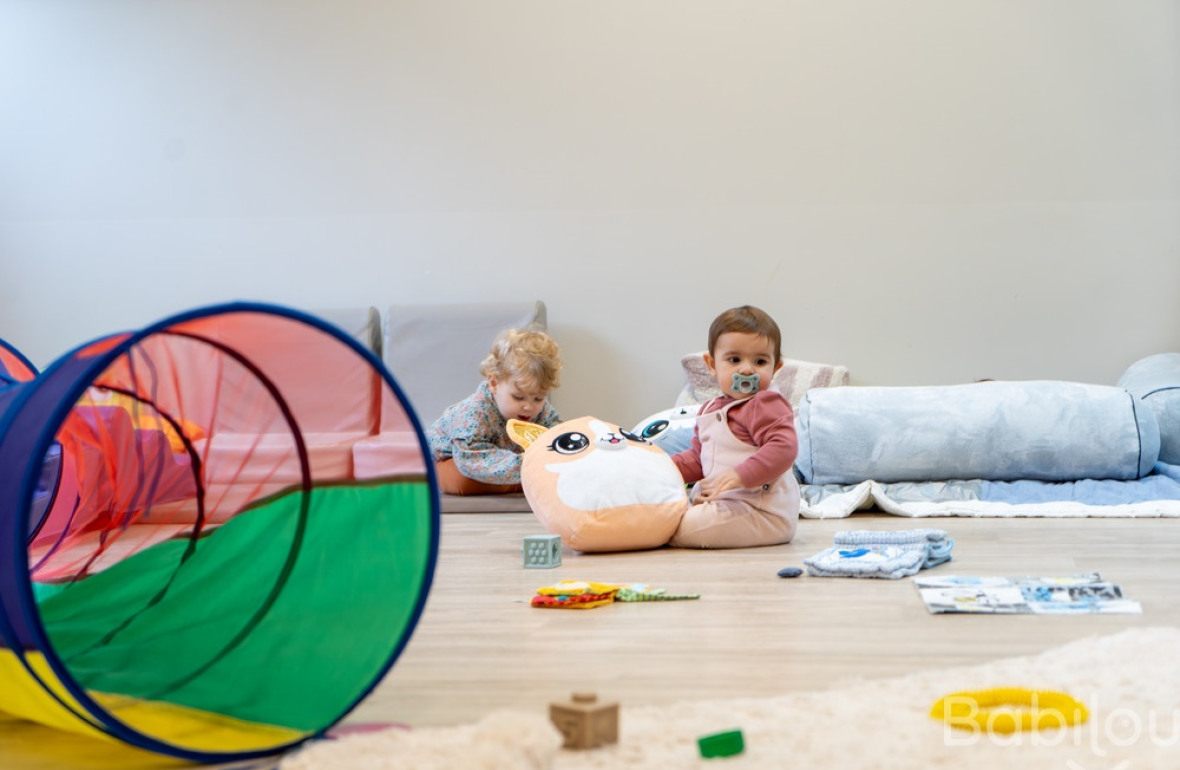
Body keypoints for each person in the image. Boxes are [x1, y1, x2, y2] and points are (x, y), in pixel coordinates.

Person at [669, 305, 800, 548]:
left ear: (776, 367)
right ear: (712, 363)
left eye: (760, 361)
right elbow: (699, 460)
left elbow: (784, 448)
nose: (747, 369)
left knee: (679, 527)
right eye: (734, 359)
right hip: (724, 505)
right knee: (668, 508)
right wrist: (663, 468)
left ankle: (657, 529)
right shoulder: (710, 409)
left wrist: (740, 475)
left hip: (761, 512)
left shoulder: (765, 403)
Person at [427, 328, 562, 495]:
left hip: (507, 461)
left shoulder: (542, 411)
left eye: (538, 398)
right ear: (494, 383)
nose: (528, 406)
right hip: (453, 460)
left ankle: (518, 479)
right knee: (462, 482)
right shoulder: (472, 414)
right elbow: (472, 459)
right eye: (518, 397)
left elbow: (556, 434)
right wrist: (528, 463)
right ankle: (521, 480)